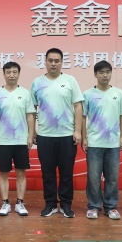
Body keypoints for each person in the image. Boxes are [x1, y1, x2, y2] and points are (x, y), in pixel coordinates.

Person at [31, 48, 84, 218]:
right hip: (45, 136)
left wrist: (77, 130)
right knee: (47, 173)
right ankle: (50, 204)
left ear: (61, 62)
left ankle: (66, 204)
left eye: (57, 61)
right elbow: (32, 109)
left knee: (66, 173)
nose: (53, 64)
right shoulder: (37, 83)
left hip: (67, 135)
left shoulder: (70, 80)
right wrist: (33, 132)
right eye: (50, 60)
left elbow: (78, 106)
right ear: (45, 62)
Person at [81, 60, 122, 220]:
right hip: (94, 143)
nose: (105, 75)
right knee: (93, 178)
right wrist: (84, 138)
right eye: (101, 72)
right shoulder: (88, 94)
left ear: (111, 74)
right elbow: (83, 117)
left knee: (112, 177)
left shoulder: (118, 93)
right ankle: (94, 206)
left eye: (107, 72)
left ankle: (111, 207)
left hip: (113, 143)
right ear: (95, 74)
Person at [0, 62, 36, 216]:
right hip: (3, 140)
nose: (11, 75)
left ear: (19, 74)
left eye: (14, 72)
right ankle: (5, 203)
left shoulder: (25, 93)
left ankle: (20, 203)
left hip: (21, 140)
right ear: (4, 74)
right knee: (3, 172)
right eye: (8, 72)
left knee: (21, 173)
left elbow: (30, 115)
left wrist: (30, 135)